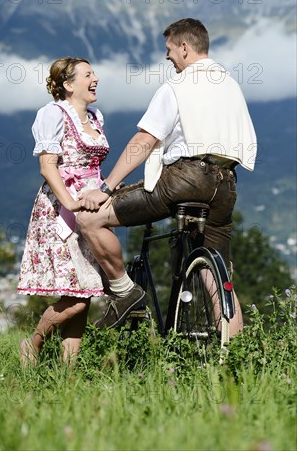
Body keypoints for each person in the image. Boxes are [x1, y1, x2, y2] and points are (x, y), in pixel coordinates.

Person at [77, 18, 257, 335]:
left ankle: (124, 292)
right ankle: (236, 357)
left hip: (184, 179)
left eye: (169, 49)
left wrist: (107, 187)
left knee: (90, 220)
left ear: (184, 47)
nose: (167, 56)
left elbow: (144, 141)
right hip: (226, 184)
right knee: (220, 280)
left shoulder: (177, 86)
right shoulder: (230, 84)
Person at [17, 57, 110, 365]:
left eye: (93, 73)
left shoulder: (96, 117)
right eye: (88, 74)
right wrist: (70, 202)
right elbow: (47, 166)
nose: (95, 78)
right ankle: (34, 342)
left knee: (83, 295)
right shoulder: (52, 114)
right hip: (61, 210)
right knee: (75, 297)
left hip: (92, 210)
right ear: (69, 85)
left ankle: (68, 373)